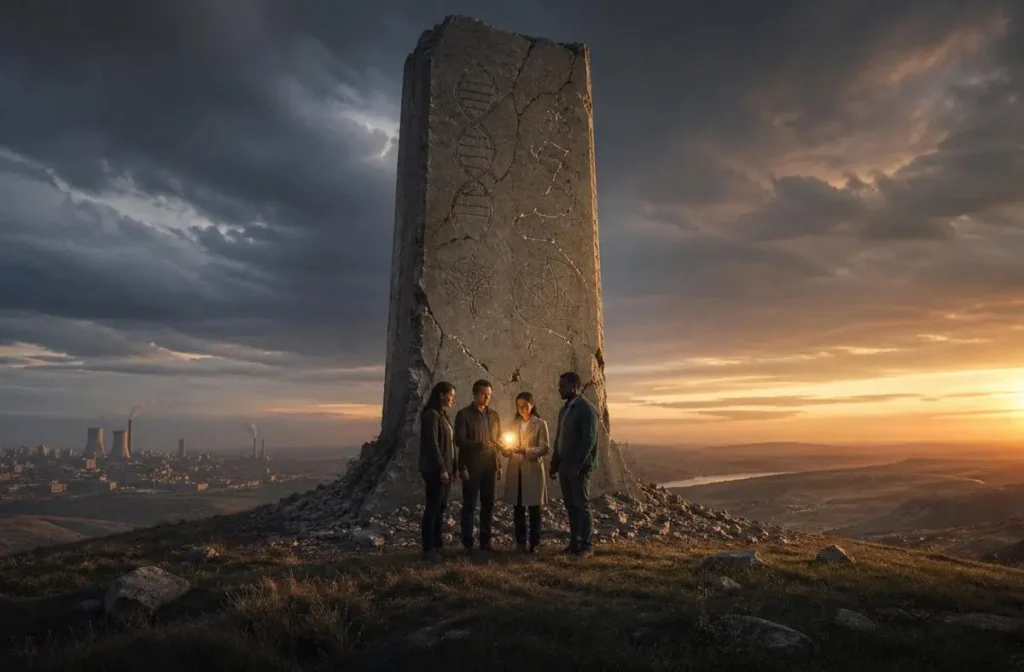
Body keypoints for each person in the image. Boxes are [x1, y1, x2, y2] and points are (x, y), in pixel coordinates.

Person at [549, 371, 600, 558]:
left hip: (578, 467)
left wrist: (577, 465)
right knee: (571, 506)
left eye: (562, 385)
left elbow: (589, 439)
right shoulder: (565, 409)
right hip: (565, 466)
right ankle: (574, 544)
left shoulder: (586, 408)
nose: (559, 389)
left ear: (573, 386)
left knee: (581, 505)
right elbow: (559, 439)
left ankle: (586, 546)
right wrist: (555, 464)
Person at [454, 379, 502, 553]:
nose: (487, 397)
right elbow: (458, 440)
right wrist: (478, 444)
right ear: (475, 394)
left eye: (489, 394)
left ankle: (485, 540)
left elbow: (499, 440)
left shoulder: (494, 415)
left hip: (490, 467)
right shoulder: (464, 414)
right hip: (472, 467)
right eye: (483, 394)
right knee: (469, 505)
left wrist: (499, 463)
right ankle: (467, 543)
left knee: (488, 505)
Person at [500, 391, 550, 553]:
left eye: (525, 405)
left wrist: (526, 451)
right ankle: (520, 543)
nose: (522, 409)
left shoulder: (540, 424)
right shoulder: (513, 424)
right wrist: (506, 450)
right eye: (519, 406)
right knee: (518, 507)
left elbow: (545, 448)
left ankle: (534, 543)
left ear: (532, 405)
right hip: (516, 469)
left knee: (534, 508)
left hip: (532, 469)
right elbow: (508, 445)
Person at [419, 381, 457, 562]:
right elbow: (432, 445)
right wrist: (442, 469)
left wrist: (452, 470)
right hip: (435, 471)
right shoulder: (431, 416)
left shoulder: (443, 416)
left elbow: (450, 447)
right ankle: (428, 548)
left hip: (445, 471)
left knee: (440, 509)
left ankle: (438, 546)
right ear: (441, 395)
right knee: (433, 508)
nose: (452, 400)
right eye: (451, 395)